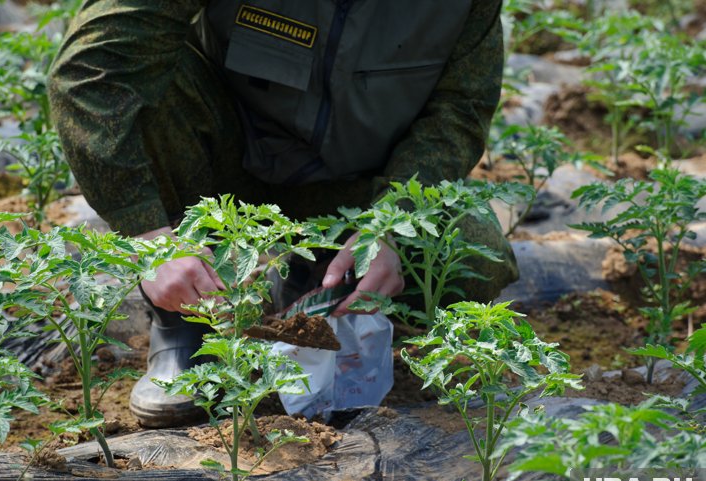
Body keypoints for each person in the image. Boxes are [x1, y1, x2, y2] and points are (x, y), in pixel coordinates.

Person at [48, 0, 518, 428]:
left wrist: (390, 224)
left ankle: (315, 287)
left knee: (473, 261)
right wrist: (149, 238)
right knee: (151, 76)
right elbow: (91, 71)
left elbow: (458, 108)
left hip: (359, 192)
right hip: (221, 169)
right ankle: (187, 323)